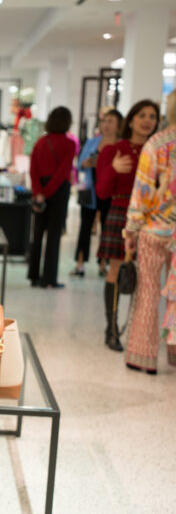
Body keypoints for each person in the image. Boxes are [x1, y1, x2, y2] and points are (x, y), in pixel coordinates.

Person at [96, 99, 160, 350]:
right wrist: (112, 169)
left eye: (152, 116)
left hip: (151, 220)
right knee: (115, 272)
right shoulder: (115, 150)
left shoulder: (158, 151)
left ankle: (140, 332)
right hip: (119, 214)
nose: (147, 121)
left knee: (147, 278)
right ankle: (111, 330)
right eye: (142, 115)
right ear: (131, 120)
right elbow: (101, 192)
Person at [122, 90, 176, 372]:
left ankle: (143, 358)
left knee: (148, 293)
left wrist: (131, 229)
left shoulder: (156, 144)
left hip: (154, 229)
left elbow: (142, 191)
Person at [71, 108, 122, 277]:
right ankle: (80, 264)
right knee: (85, 228)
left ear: (118, 125)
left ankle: (103, 264)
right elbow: (79, 165)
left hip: (111, 194)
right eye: (104, 121)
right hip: (90, 192)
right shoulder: (93, 142)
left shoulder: (120, 145)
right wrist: (86, 163)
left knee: (107, 230)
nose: (106, 125)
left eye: (110, 122)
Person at [27, 106, 75, 288]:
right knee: (54, 236)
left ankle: (33, 276)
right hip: (59, 191)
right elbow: (63, 172)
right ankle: (49, 278)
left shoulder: (41, 142)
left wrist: (39, 192)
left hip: (41, 191)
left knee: (37, 234)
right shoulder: (69, 144)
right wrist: (48, 192)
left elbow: (33, 170)